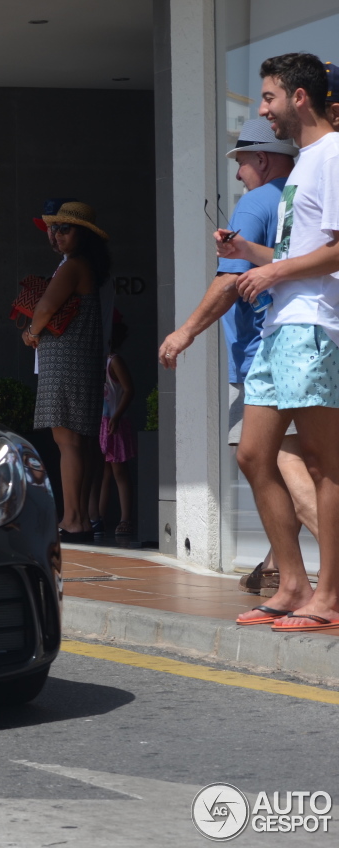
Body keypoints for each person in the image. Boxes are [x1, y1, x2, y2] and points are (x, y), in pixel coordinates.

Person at [158, 115, 312, 596]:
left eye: (242, 163)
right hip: (311, 349)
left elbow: (228, 281)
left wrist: (184, 332)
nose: (240, 174)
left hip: (265, 358)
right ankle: (277, 568)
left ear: (262, 159)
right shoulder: (300, 199)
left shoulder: (255, 202)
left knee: (270, 460)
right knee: (303, 467)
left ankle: (297, 579)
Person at [218, 53, 339, 632]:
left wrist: (273, 274)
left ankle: (329, 596)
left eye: (267, 97)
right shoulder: (306, 165)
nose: (262, 109)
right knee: (252, 455)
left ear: (298, 97)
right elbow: (298, 256)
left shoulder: (334, 154)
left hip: (313, 325)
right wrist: (254, 257)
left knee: (323, 463)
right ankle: (292, 583)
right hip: (280, 327)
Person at [22, 201, 110, 542]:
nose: (55, 235)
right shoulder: (90, 265)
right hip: (81, 358)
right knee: (80, 441)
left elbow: (45, 307)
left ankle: (73, 519)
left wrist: (31, 332)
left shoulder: (73, 266)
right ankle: (81, 518)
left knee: (67, 440)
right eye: (53, 228)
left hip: (66, 359)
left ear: (83, 235)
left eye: (65, 229)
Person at [98, 320, 136, 536]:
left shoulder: (114, 361)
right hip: (103, 422)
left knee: (119, 471)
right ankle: (99, 518)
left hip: (114, 421)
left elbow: (129, 389)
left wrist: (117, 416)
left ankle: (125, 518)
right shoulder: (100, 361)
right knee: (104, 473)